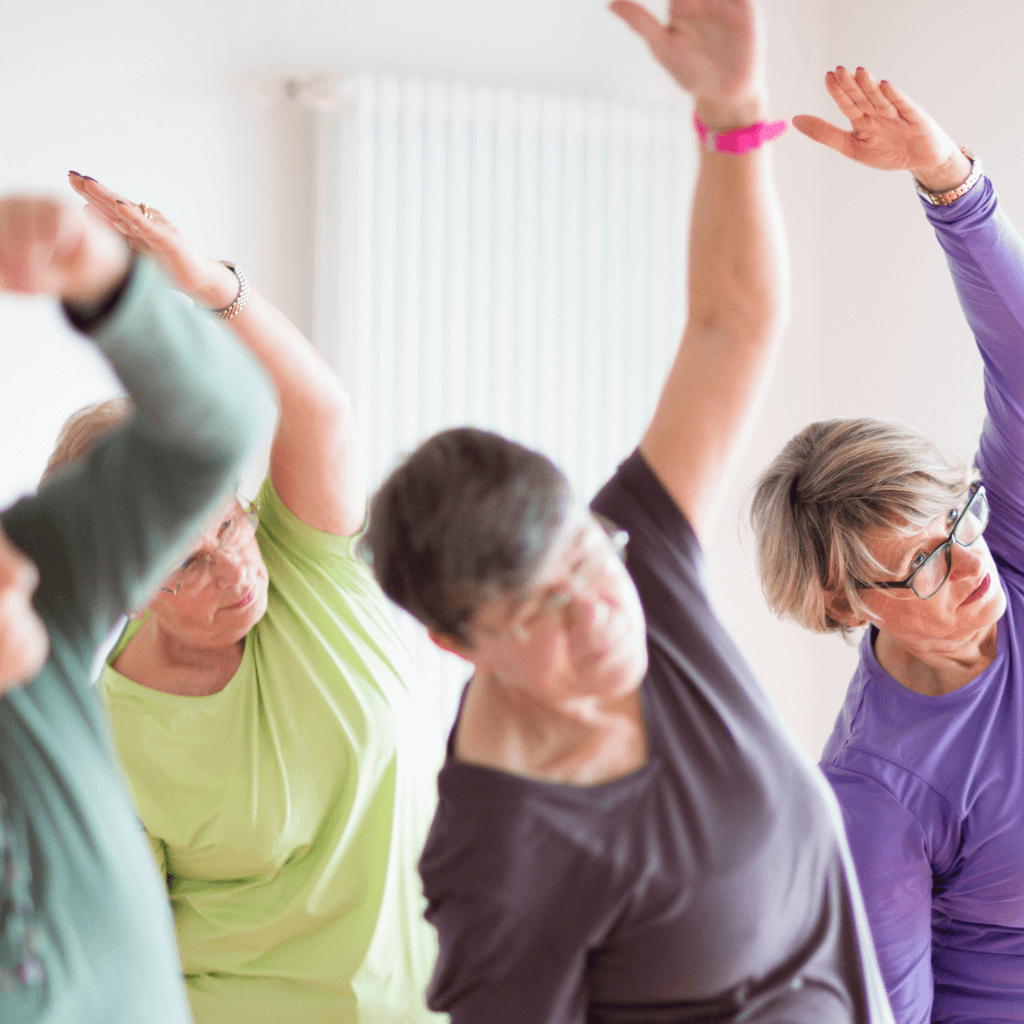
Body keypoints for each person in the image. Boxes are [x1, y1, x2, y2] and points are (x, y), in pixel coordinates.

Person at [359, 3, 894, 1022]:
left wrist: (731, 110)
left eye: (582, 561)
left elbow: (729, 328)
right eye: (538, 611)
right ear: (453, 641)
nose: (595, 613)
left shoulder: (638, 560)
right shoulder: (502, 855)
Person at [63, 171, 445, 1023]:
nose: (237, 570)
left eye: (228, 525)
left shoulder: (305, 563)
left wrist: (210, 288)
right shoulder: (109, 742)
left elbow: (320, 409)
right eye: (187, 564)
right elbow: (128, 977)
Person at [749, 66, 1024, 1024]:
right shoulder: (878, 798)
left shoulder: (1000, 543)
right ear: (843, 605)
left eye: (957, 518)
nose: (967, 560)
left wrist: (949, 180)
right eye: (918, 563)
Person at [0, 195, 274, 1020]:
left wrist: (106, 280)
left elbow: (220, 426)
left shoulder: (41, 601)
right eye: (190, 561)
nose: (14, 581)